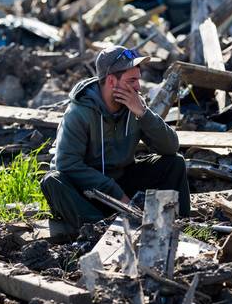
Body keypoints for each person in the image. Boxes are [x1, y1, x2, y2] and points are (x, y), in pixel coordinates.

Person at [41, 45, 190, 229]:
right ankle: (98, 229)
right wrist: (116, 195)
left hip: (123, 182)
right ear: (112, 81)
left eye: (138, 79)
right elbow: (67, 164)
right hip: (88, 191)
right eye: (132, 80)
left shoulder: (134, 104)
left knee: (174, 163)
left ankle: (178, 226)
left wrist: (143, 114)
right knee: (53, 181)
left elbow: (170, 147)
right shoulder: (79, 112)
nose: (138, 86)